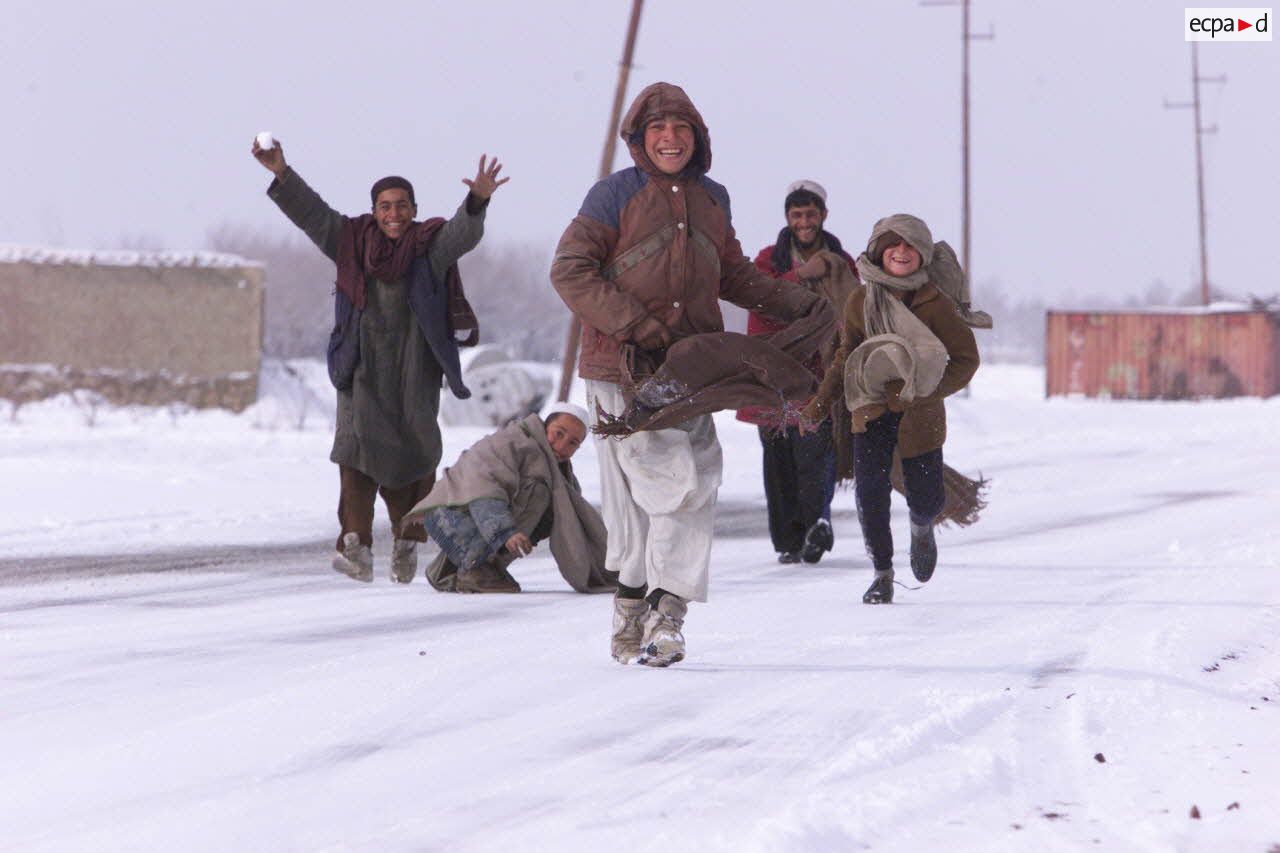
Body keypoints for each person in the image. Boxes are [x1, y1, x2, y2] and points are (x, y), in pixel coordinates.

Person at [550, 82, 832, 667]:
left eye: (681, 129)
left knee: (687, 478)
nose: (670, 139)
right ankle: (634, 607)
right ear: (639, 139)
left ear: (698, 138)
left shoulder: (713, 198)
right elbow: (570, 271)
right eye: (658, 129)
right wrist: (636, 324)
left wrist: (796, 303)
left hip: (691, 368)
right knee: (638, 500)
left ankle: (664, 613)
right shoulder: (612, 196)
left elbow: (732, 274)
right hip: (620, 367)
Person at [251, 137, 508, 584]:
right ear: (374, 211)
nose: (394, 214)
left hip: (414, 370)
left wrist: (478, 198)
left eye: (402, 206)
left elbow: (461, 233)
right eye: (385, 206)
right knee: (354, 453)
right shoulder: (349, 242)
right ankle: (357, 548)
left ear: (413, 208)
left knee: (416, 455)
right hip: (363, 368)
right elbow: (311, 213)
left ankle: (408, 541)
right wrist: (281, 173)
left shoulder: (430, 249)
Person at [804, 214, 979, 604]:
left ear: (923, 254)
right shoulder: (861, 301)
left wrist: (925, 392)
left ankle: (921, 527)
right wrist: (820, 403)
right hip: (870, 410)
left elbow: (966, 360)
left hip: (920, 416)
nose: (901, 252)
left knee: (927, 497)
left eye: (910, 246)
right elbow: (846, 356)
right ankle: (882, 573)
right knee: (870, 494)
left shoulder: (935, 304)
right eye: (892, 245)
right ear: (878, 251)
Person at [736, 179, 857, 565]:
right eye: (796, 215)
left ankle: (816, 524)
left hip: (821, 376)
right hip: (775, 373)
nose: (804, 221)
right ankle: (788, 540)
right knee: (778, 459)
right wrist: (804, 275)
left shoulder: (843, 262)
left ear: (823, 215)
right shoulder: (770, 259)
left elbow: (855, 308)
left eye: (810, 214)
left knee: (815, 451)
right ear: (788, 218)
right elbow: (761, 299)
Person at [404, 404, 614, 594]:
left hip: (482, 519)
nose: (561, 446)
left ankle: (455, 570)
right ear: (545, 425)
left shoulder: (558, 473)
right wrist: (506, 533)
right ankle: (474, 570)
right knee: (538, 493)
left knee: (557, 507)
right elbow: (483, 490)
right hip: (448, 512)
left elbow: (572, 519)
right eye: (558, 433)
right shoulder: (508, 443)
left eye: (572, 443)